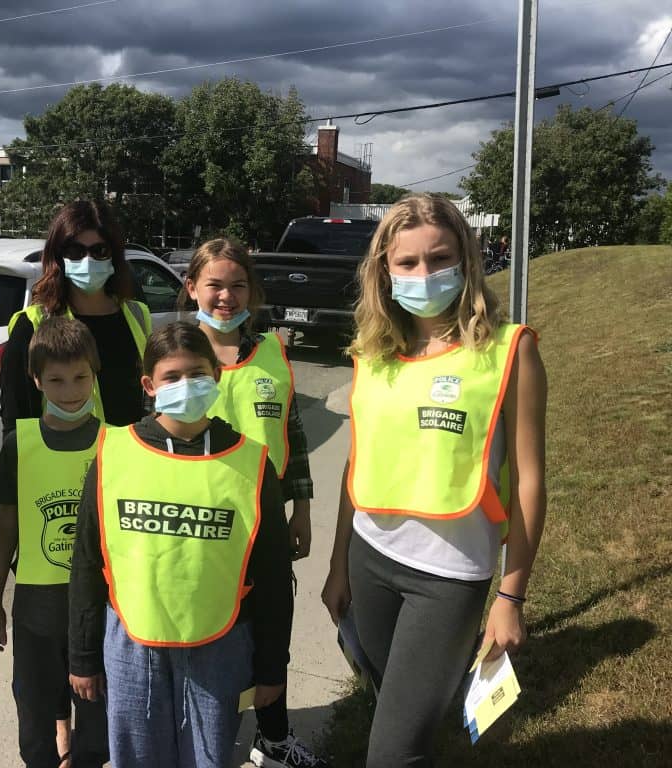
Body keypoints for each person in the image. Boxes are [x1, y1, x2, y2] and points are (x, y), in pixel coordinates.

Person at [320, 194, 547, 767]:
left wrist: (510, 596)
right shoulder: (374, 353)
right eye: (408, 263)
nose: (425, 274)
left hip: (447, 578)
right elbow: (359, 465)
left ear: (466, 259)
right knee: (393, 709)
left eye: (439, 258)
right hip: (370, 561)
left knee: (392, 753)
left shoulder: (508, 351)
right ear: (384, 271)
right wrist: (338, 564)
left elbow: (529, 482)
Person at [68, 321, 294, 768]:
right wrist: (82, 653)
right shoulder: (114, 452)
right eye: (172, 377)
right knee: (135, 757)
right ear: (149, 385)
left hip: (220, 642)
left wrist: (273, 667)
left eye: (197, 374)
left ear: (218, 376)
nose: (186, 385)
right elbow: (88, 561)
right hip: (133, 641)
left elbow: (271, 573)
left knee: (207, 759)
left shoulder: (250, 461)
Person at [182, 238, 324, 768]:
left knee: (270, 634)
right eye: (214, 284)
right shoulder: (176, 354)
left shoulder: (272, 352)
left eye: (237, 285)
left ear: (253, 293)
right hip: (200, 528)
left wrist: (302, 507)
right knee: (208, 637)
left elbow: (293, 433)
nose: (225, 296)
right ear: (192, 287)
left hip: (265, 526)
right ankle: (206, 739)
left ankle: (274, 737)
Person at [0, 316, 108, 768]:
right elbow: (6, 530)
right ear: (36, 380)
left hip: (100, 603)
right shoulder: (21, 443)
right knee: (34, 711)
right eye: (56, 379)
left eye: (81, 377)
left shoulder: (116, 444)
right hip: (36, 605)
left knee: (95, 709)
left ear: (95, 375)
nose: (71, 390)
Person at [0, 200, 151, 437]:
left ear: (114, 255)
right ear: (58, 257)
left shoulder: (138, 315)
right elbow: (17, 418)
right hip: (63, 466)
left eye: (99, 251)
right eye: (75, 251)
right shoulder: (33, 324)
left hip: (126, 463)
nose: (87, 261)